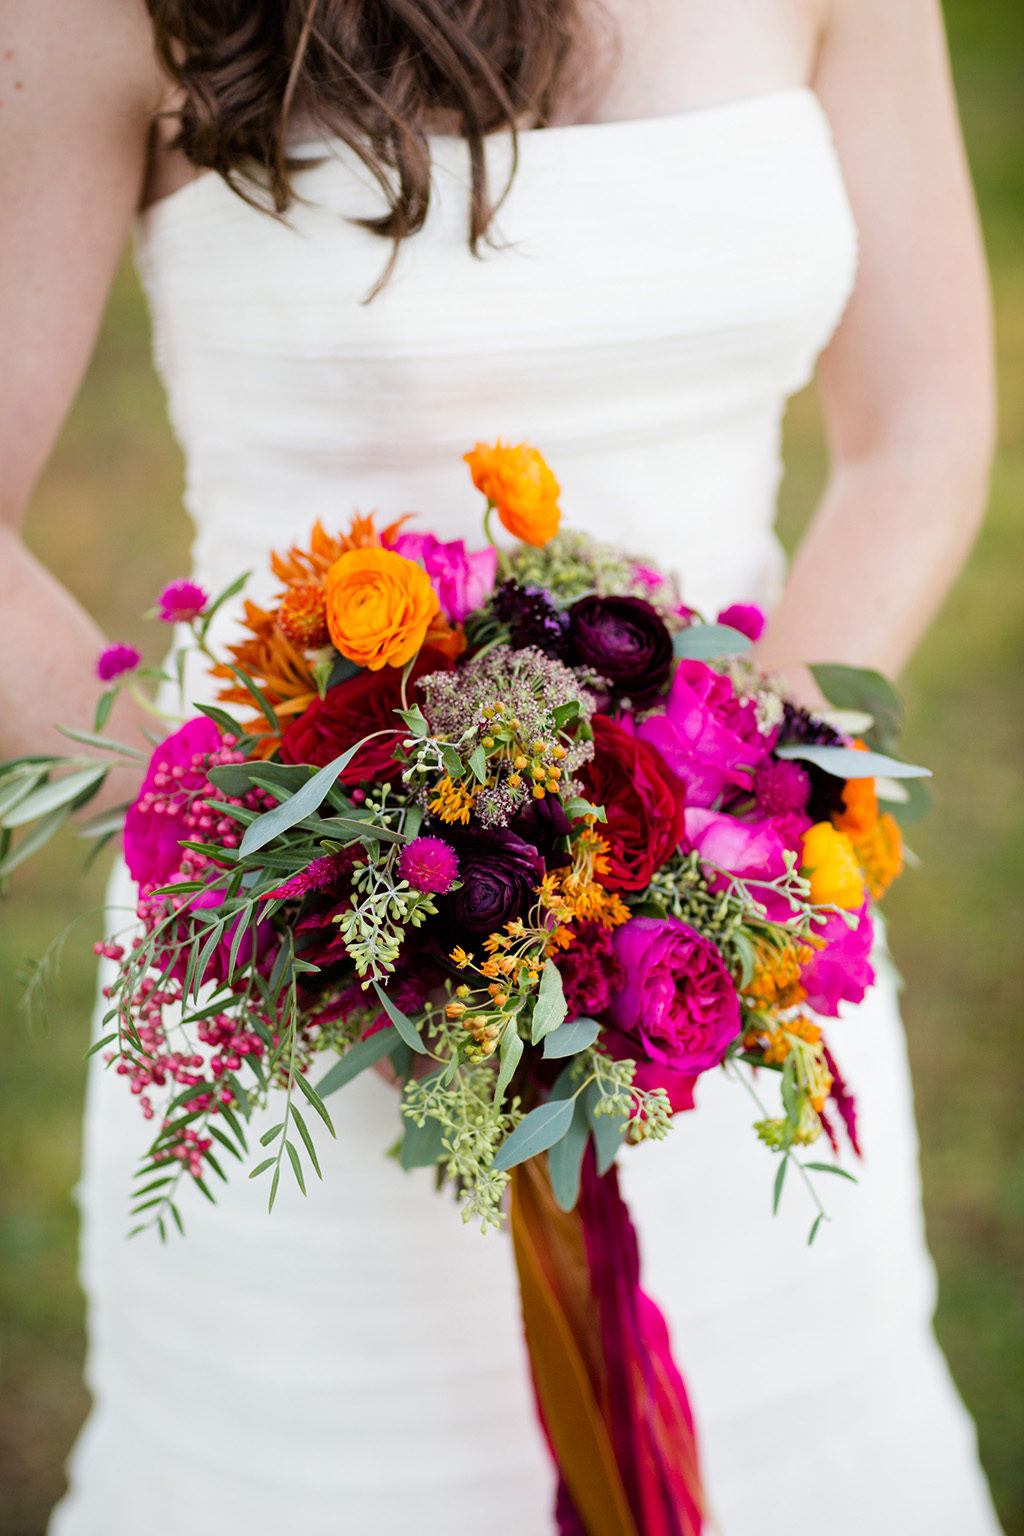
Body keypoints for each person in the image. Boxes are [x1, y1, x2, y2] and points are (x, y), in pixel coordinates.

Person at [0, 1, 1003, 1531]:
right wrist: (282, 864)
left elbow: (923, 425)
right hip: (305, 1009)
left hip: (725, 956)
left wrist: (745, 806)